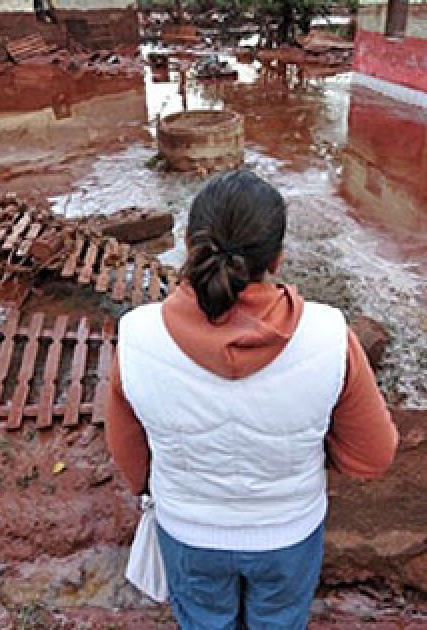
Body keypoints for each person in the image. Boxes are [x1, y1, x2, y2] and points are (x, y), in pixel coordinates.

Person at [106, 170, 399, 629]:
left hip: (187, 530)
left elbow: (130, 459)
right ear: (278, 258)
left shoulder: (137, 335)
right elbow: (374, 456)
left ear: (187, 244)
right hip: (289, 533)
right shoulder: (329, 336)